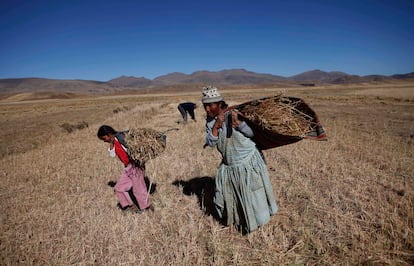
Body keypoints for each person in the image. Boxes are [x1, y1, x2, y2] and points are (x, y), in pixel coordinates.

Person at [202, 85, 278, 234]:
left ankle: (260, 222)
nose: (207, 109)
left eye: (210, 105)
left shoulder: (235, 113)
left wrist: (240, 125)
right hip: (230, 164)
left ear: (219, 103)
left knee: (254, 194)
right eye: (204, 106)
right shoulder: (210, 122)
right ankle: (241, 220)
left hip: (247, 162)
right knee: (232, 195)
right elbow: (211, 142)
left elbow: (253, 134)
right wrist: (216, 127)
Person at [97, 125, 153, 213]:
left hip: (135, 166)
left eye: (104, 138)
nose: (104, 141)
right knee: (119, 188)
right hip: (128, 168)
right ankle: (131, 207)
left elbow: (133, 149)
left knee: (139, 189)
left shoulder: (122, 138)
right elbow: (112, 155)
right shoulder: (114, 141)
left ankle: (147, 208)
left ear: (108, 134)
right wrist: (111, 142)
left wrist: (138, 162)